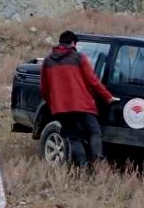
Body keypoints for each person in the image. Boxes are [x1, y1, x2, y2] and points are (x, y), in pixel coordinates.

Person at [40, 30, 119, 169]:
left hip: (62, 109)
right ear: (73, 43)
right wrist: (108, 97)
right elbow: (93, 81)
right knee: (94, 132)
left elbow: (44, 89)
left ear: (60, 42)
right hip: (82, 105)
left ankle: (83, 166)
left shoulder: (47, 61)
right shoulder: (79, 57)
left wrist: (54, 105)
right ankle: (97, 164)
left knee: (74, 137)